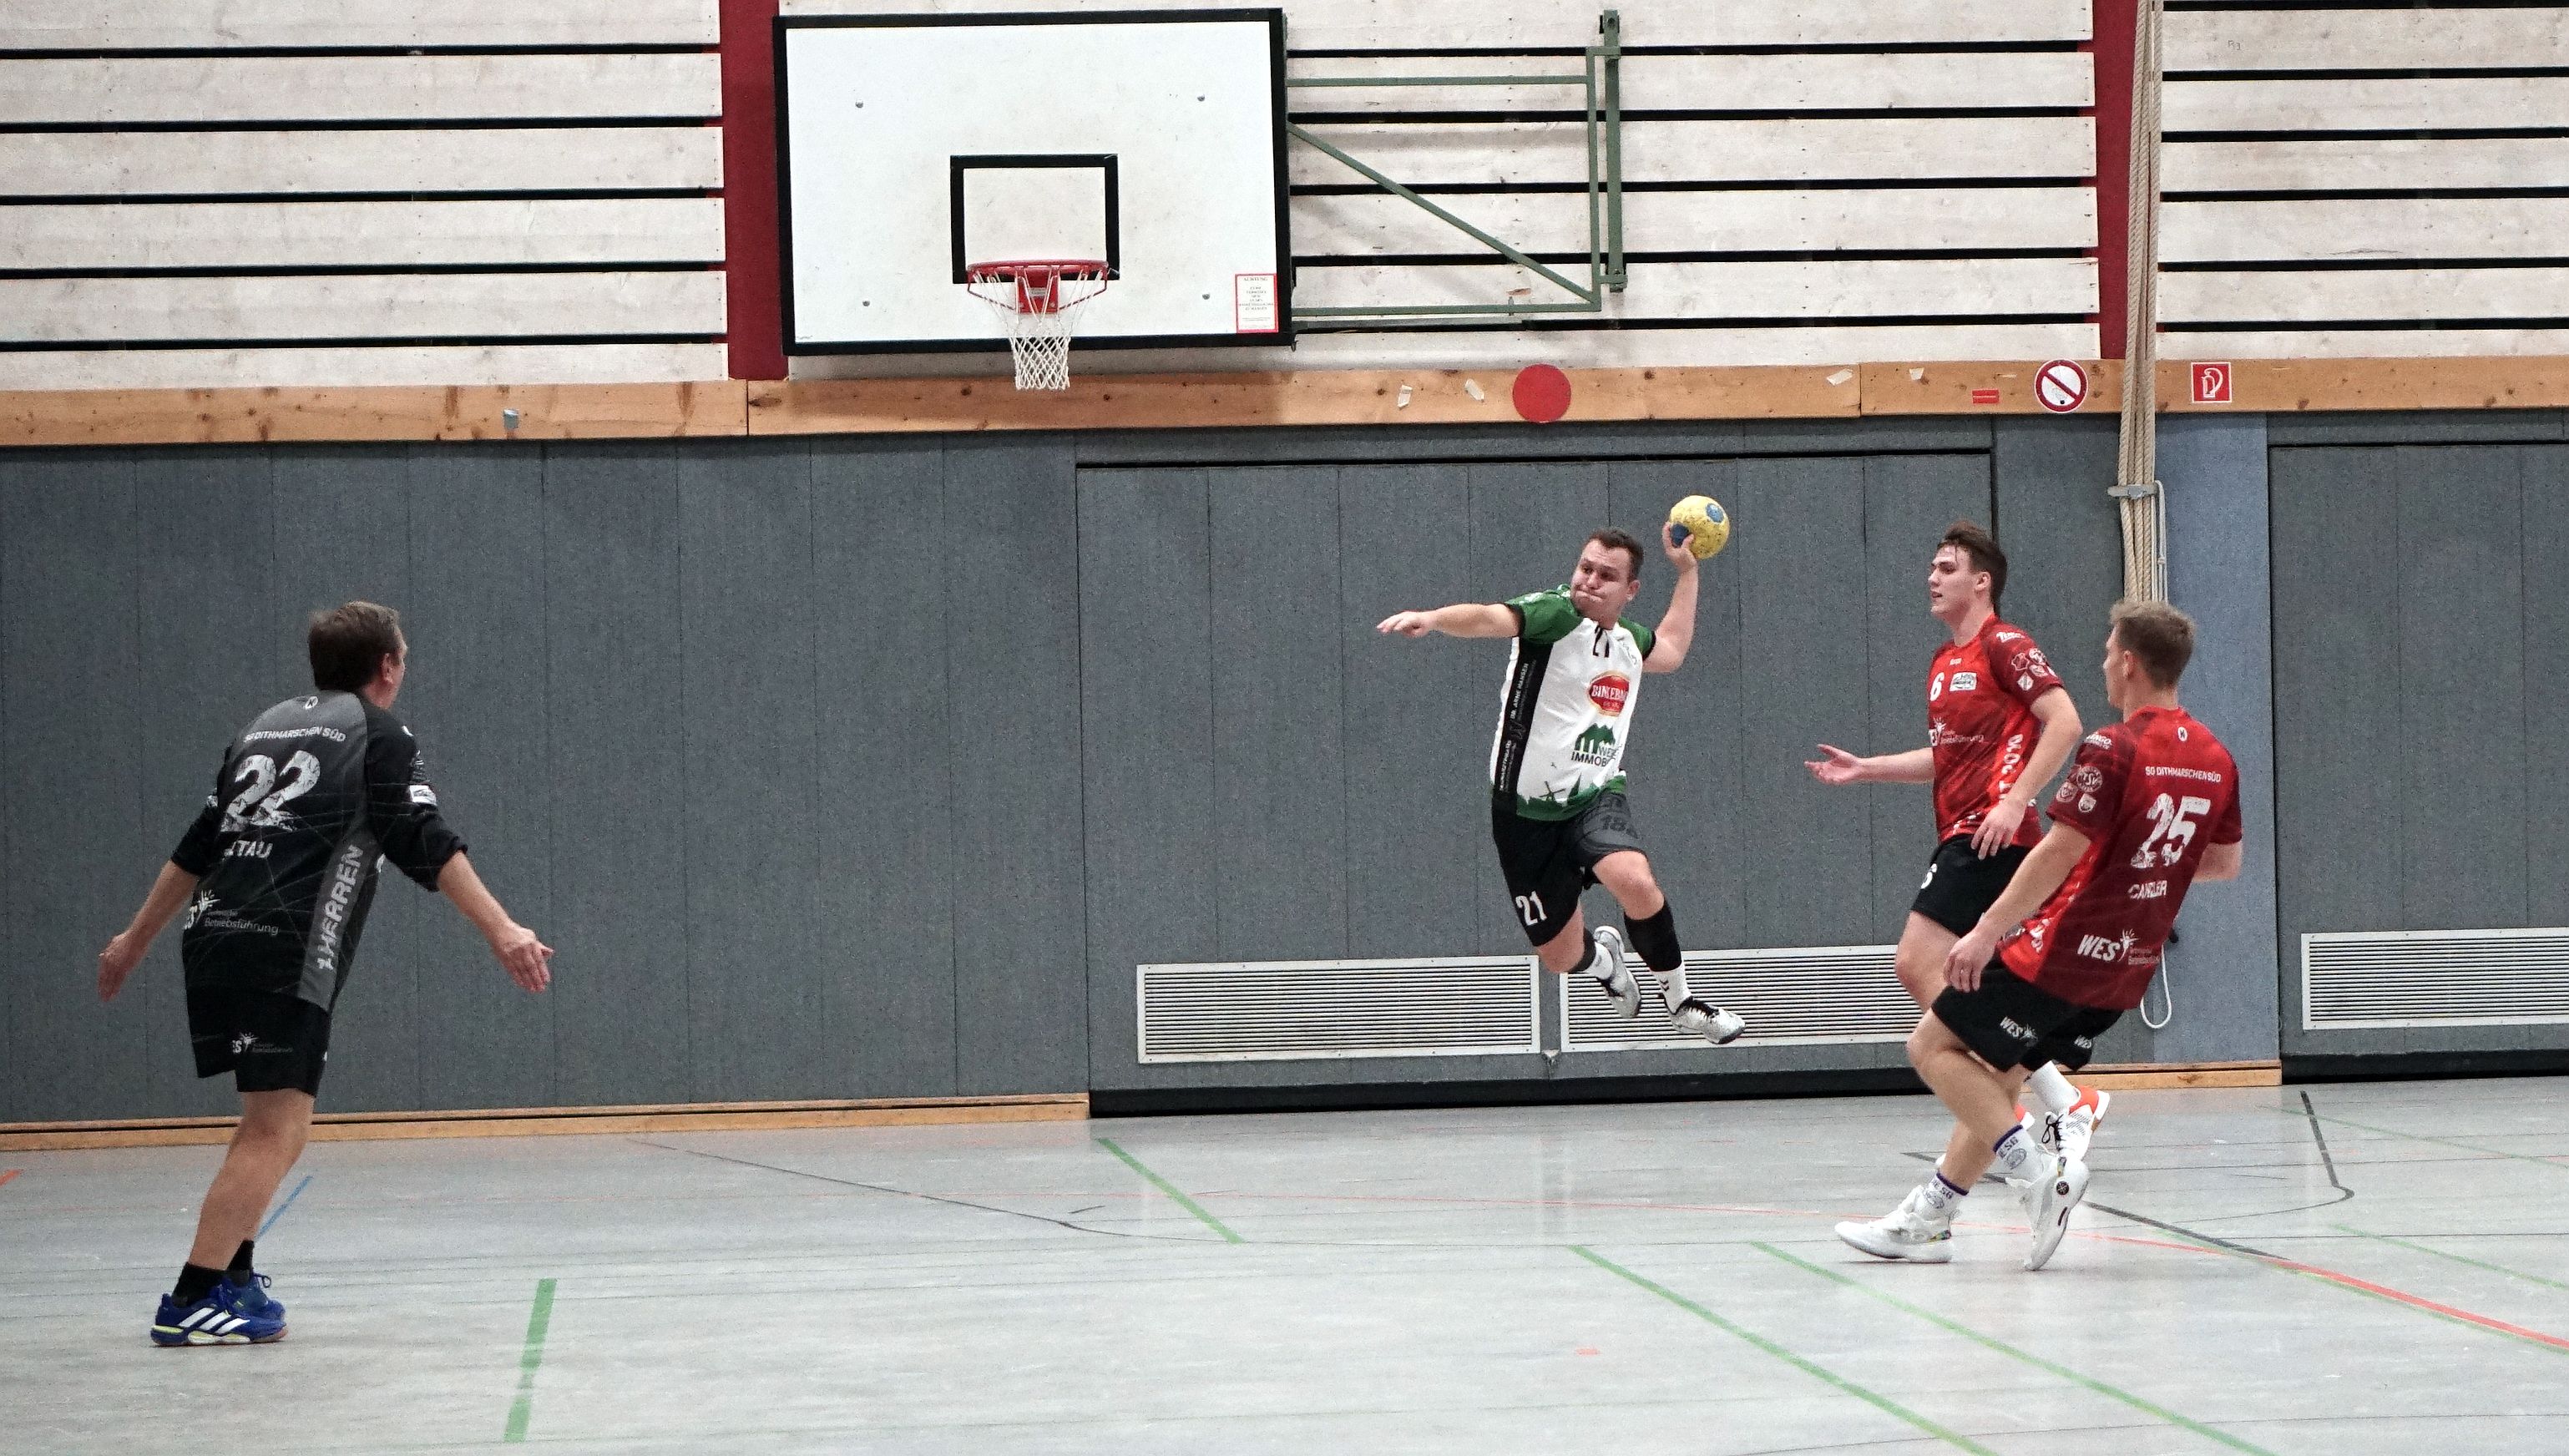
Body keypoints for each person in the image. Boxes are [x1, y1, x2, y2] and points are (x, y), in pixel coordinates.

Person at [96, 602, 553, 1345]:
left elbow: (198, 845)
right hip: (283, 946)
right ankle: (192, 1298)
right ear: (388, 666)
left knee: (261, 1120)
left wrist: (132, 939)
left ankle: (235, 1277)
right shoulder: (379, 735)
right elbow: (420, 835)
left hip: (212, 936)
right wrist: (503, 929)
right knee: (279, 1128)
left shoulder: (263, 728)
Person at [1836, 600, 2243, 1271]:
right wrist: (2138, 868)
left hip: (2060, 954)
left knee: (1931, 1045)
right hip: (2126, 967)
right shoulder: (2215, 757)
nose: (2103, 663)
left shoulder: (2113, 747)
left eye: (2108, 652)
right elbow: (2223, 863)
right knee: (1995, 1080)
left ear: (2129, 663)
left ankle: (2036, 1174)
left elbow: (2056, 852)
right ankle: (1929, 1220)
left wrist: (1985, 931)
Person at [1803, 523, 2107, 1155]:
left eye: (1946, 568)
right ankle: (2054, 1098)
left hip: (1991, 836)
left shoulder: (2005, 644)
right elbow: (1946, 758)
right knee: (1956, 974)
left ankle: (2032, 1103)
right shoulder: (1945, 663)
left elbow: (2065, 721)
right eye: (1932, 568)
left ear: (1981, 582)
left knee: (1916, 963)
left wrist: (2015, 800)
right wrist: (1867, 768)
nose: (1932, 578)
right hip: (1964, 834)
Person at [1378, 523, 1743, 1044]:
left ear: (1631, 590)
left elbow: (1672, 649)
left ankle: (1682, 1002)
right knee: (1559, 956)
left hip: (1594, 797)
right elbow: (1489, 617)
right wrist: (1434, 619)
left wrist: (1687, 572)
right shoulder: (1554, 616)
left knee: (1635, 882)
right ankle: (1606, 963)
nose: (1590, 581)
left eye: (1606, 576)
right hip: (1523, 815)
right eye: (1585, 568)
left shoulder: (1626, 642)